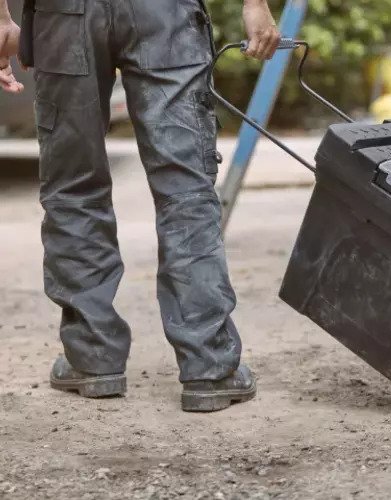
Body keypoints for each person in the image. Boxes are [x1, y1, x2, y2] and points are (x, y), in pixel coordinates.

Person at [0, 0, 281, 412]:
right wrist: (255, 5)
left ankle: (93, 359)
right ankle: (209, 365)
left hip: (65, 16)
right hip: (163, 15)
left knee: (74, 186)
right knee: (184, 188)